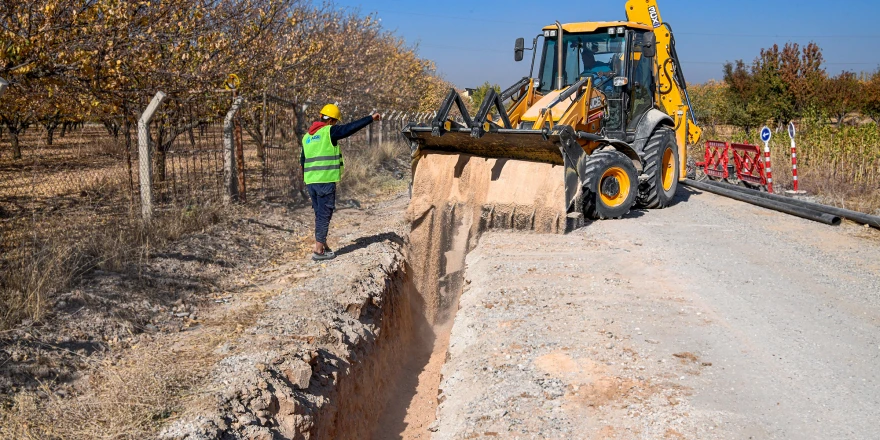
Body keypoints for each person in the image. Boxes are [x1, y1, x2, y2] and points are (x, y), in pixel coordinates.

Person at [301, 104, 380, 261]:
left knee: (319, 213)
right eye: (335, 122)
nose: (336, 125)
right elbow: (349, 129)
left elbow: (302, 160)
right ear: (330, 120)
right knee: (325, 213)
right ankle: (318, 251)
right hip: (325, 179)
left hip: (311, 181)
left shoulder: (307, 137)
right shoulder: (328, 131)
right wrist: (370, 118)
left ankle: (322, 244)